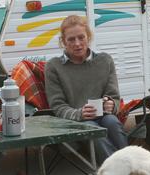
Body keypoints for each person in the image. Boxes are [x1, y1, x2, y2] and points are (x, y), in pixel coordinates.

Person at [45, 15, 128, 163]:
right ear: (63, 41)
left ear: (88, 37)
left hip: (104, 116)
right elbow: (57, 106)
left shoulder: (104, 60)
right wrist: (79, 114)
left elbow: (113, 96)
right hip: (75, 122)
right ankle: (121, 172)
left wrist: (111, 104)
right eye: (71, 39)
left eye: (81, 37)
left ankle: (129, 166)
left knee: (112, 123)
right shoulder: (54, 67)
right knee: (92, 129)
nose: (77, 43)